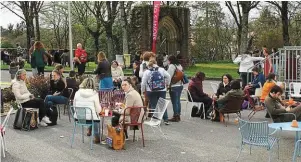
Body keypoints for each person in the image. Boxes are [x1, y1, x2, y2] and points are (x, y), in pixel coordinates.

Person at [141, 58, 171, 125]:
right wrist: (167, 84)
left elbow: (143, 83)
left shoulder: (147, 72)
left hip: (151, 90)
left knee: (154, 104)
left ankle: (156, 121)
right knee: (162, 104)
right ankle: (166, 119)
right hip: (162, 89)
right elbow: (168, 76)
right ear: (156, 63)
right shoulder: (162, 69)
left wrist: (143, 91)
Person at [73, 77, 101, 143]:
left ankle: (89, 130)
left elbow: (74, 106)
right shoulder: (95, 94)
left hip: (79, 117)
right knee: (95, 117)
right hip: (90, 118)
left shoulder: (77, 93)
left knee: (92, 115)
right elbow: (98, 110)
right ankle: (96, 135)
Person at [166, 55, 183, 122]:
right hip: (180, 85)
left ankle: (175, 116)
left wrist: (167, 85)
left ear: (170, 60)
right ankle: (178, 115)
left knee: (174, 102)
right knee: (178, 101)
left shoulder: (172, 66)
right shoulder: (179, 66)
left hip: (174, 85)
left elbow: (168, 76)